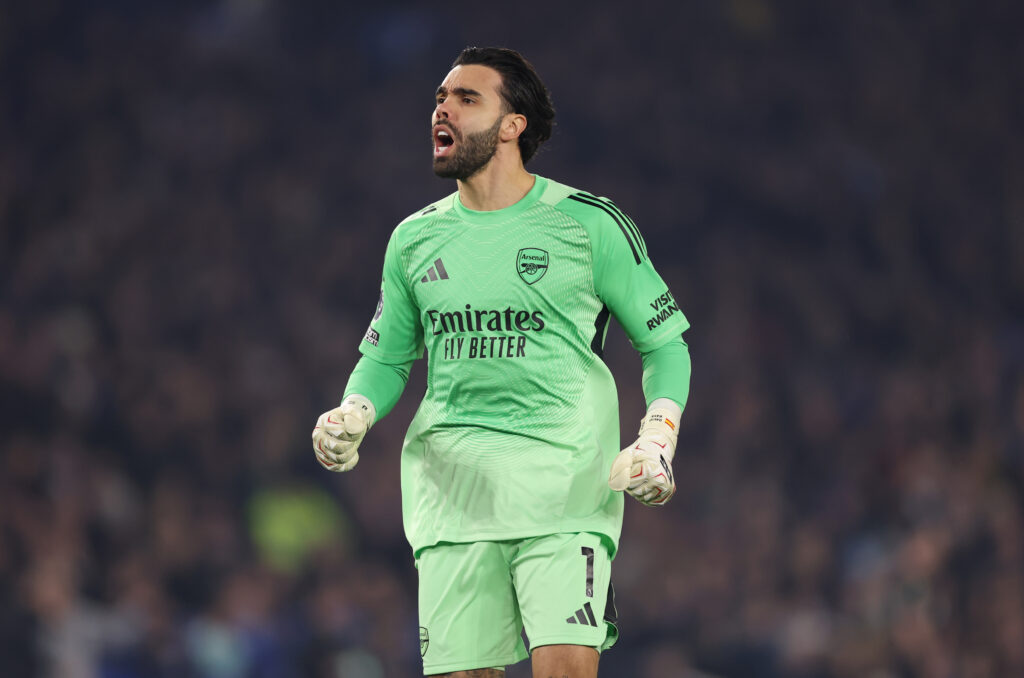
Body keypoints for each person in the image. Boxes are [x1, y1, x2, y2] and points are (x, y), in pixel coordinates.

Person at [312, 46, 691, 678]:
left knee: (565, 668)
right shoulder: (413, 239)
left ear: (513, 124)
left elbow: (665, 345)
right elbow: (387, 359)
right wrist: (356, 409)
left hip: (565, 490)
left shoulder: (588, 225)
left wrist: (658, 436)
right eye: (440, 98)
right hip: (452, 496)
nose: (444, 109)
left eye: (467, 98)